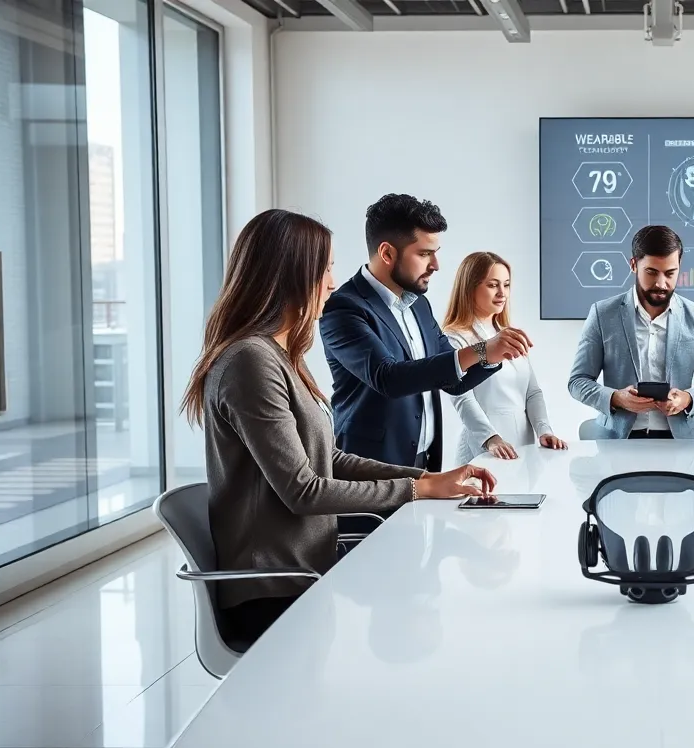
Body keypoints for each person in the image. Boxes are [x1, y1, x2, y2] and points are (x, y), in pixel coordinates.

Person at [179, 209, 498, 648]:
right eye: (326, 268)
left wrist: (427, 479)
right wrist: (418, 491)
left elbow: (330, 459)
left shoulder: (279, 356)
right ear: (291, 275)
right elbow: (304, 490)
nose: (333, 281)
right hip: (277, 592)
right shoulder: (251, 362)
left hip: (310, 576)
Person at [319, 194, 532, 473]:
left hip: (424, 464)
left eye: (435, 252)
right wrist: (481, 350)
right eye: (424, 254)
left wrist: (492, 357)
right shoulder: (344, 308)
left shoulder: (419, 305)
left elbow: (452, 381)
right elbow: (389, 378)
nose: (436, 265)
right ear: (387, 253)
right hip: (369, 467)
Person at [568, 225, 694, 439]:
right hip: (617, 440)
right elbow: (578, 381)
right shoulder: (602, 314)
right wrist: (616, 398)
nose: (661, 283)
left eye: (670, 273)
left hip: (680, 441)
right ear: (633, 264)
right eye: (651, 272)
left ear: (679, 265)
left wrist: (687, 399)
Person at [443, 251, 567, 463]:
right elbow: (462, 397)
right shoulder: (454, 338)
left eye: (506, 285)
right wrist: (491, 438)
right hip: (484, 446)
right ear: (470, 287)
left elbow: (532, 392)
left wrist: (544, 431)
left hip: (523, 446)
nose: (502, 293)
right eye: (493, 285)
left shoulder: (509, 334)